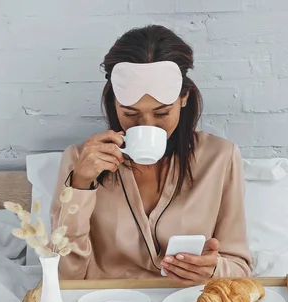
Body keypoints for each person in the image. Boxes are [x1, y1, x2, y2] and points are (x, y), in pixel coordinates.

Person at [50, 24, 252, 286]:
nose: (146, 125)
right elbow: (63, 276)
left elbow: (240, 268)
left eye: (161, 113)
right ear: (114, 104)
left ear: (184, 98)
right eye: (131, 114)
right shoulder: (81, 159)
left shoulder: (220, 158)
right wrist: (80, 184)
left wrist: (213, 270)